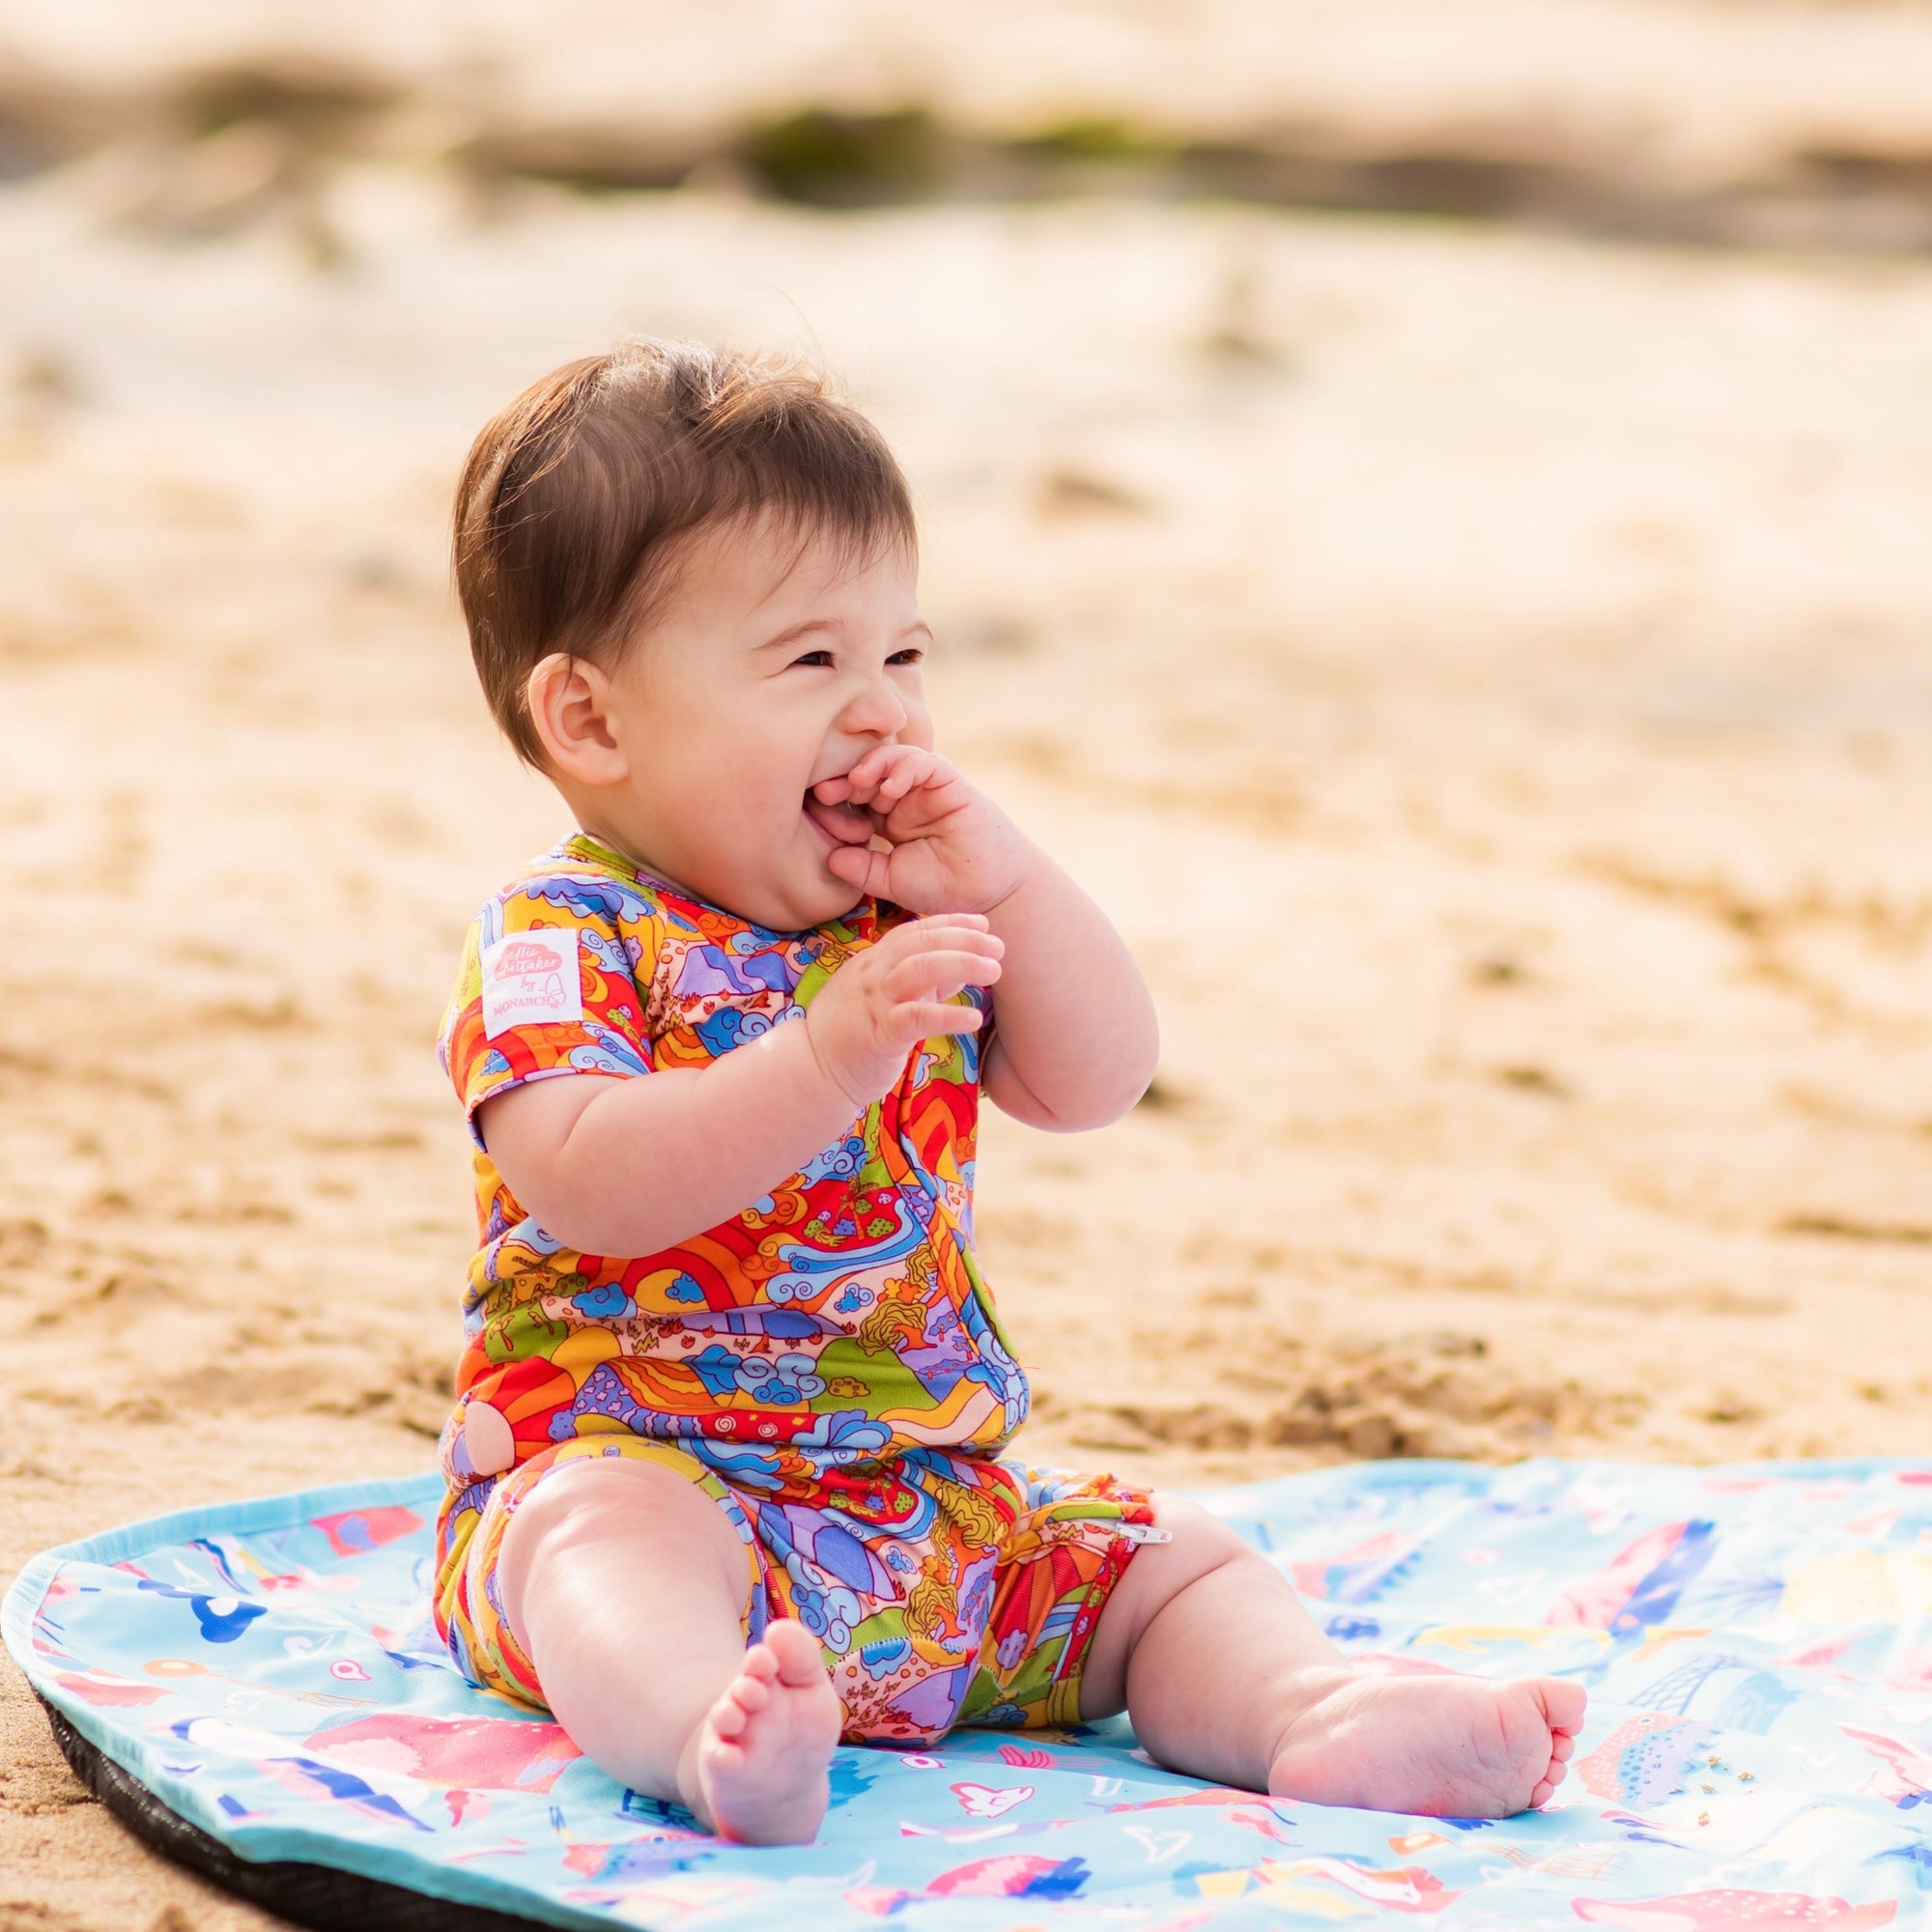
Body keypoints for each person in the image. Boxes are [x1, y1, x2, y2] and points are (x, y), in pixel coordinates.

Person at [431, 339, 1586, 1845]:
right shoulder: (561, 934)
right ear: (591, 720)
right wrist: (830, 1057)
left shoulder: (898, 913)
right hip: (647, 1470)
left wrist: (1011, 885)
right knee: (595, 1544)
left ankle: (1313, 1715)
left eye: (903, 656)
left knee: (1170, 1556)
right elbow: (584, 1172)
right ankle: (705, 1738)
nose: (884, 714)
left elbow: (1095, 1080)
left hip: (920, 1517)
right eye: (810, 663)